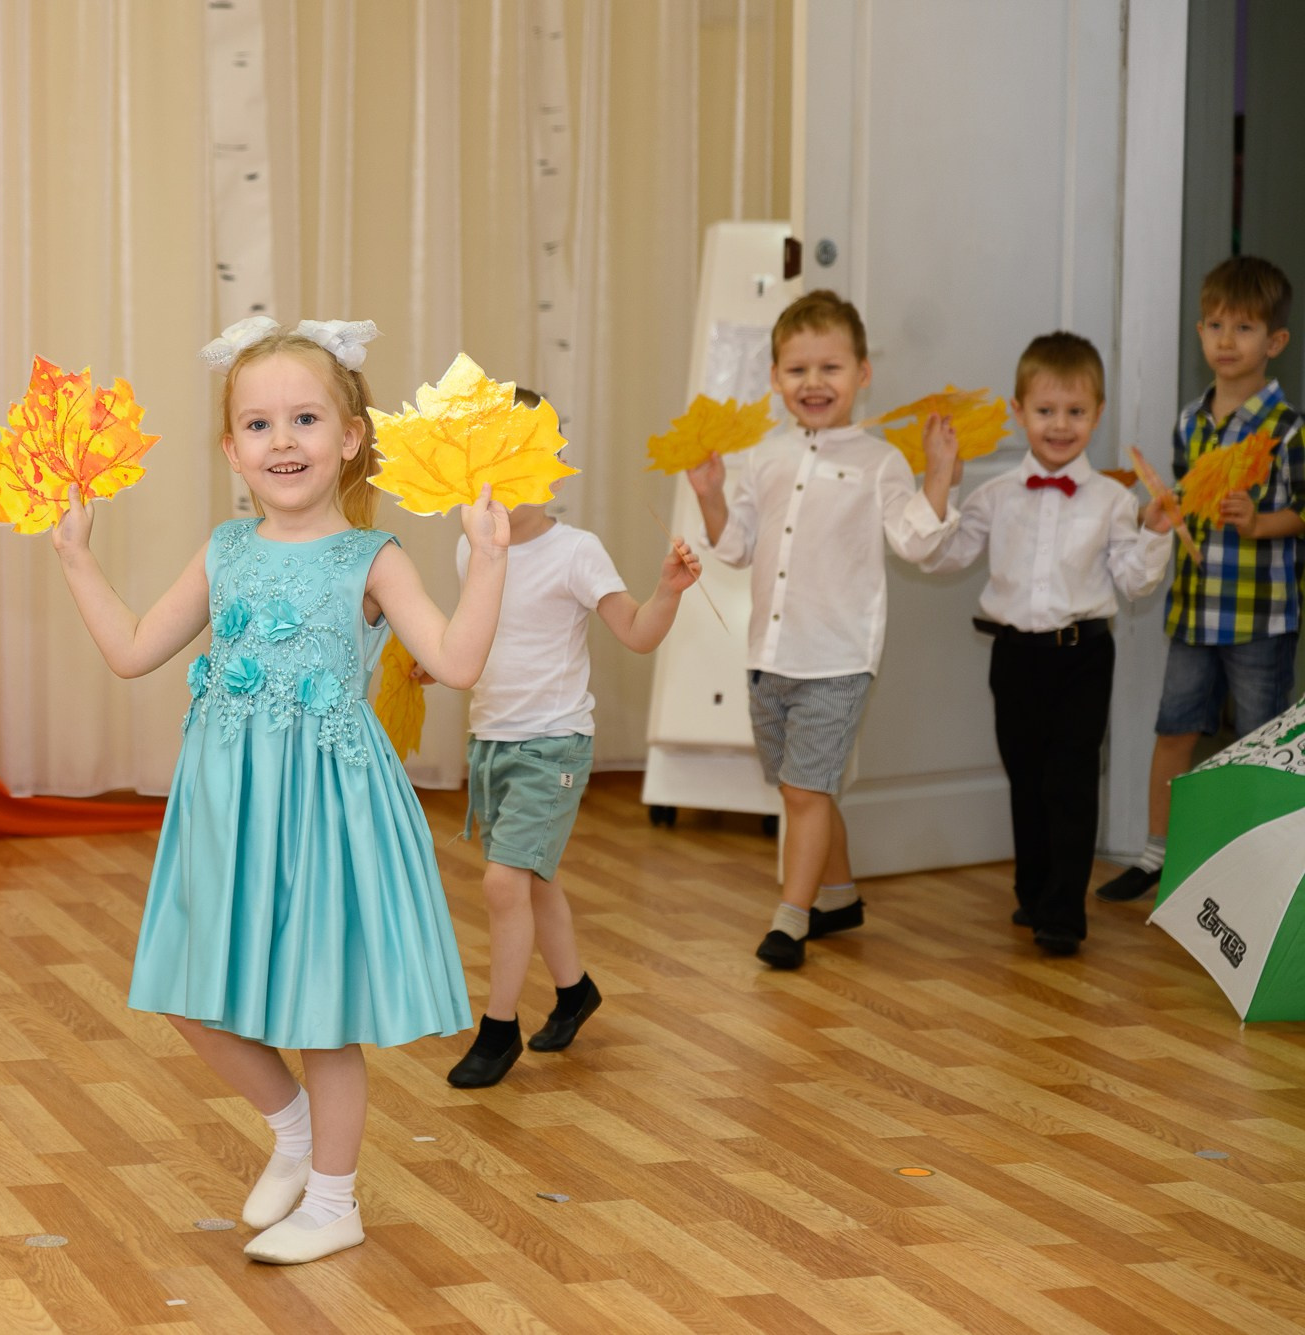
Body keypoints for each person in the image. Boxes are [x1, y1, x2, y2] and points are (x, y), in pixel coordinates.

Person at [50, 316, 506, 1264]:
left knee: (319, 1011)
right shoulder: (225, 549)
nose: (282, 440)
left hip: (326, 811)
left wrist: (490, 559)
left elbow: (456, 662)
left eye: (305, 418)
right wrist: (75, 556)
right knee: (187, 988)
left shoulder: (371, 559)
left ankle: (335, 1200)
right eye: (258, 425)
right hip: (228, 805)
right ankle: (293, 1131)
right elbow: (134, 651)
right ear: (231, 449)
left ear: (349, 437)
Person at [431, 387, 701, 1088]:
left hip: (552, 746)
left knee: (503, 881)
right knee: (531, 883)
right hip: (491, 741)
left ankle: (498, 1030)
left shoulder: (576, 551)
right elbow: (477, 638)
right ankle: (575, 989)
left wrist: (667, 590)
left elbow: (638, 634)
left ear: (551, 464)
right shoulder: (473, 551)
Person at [687, 290, 958, 969]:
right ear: (776, 378)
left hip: (836, 659)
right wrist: (711, 496)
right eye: (798, 370)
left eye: (830, 368)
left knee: (806, 791)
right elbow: (734, 547)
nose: (814, 383)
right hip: (770, 654)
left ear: (862, 373)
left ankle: (791, 917)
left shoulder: (880, 463)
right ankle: (838, 894)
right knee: (801, 785)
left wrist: (940, 477)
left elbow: (916, 542)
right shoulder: (766, 457)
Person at [920, 334, 1174, 953]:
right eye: (1045, 411)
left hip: (1083, 655)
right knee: (1026, 777)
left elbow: (1136, 582)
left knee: (1070, 779)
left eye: (1076, 412)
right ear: (1017, 411)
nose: (1060, 426)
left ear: (1099, 413)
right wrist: (941, 482)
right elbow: (940, 555)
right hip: (1014, 656)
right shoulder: (994, 495)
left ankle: (1063, 913)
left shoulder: (1115, 500)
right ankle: (1032, 894)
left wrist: (1157, 532)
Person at [1100, 256, 1305, 903]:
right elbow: (1184, 497)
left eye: (1243, 328)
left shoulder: (1288, 427)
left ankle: (1258, 867)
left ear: (1274, 342)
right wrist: (1155, 510)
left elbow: (1300, 513)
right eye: (1214, 324)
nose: (1225, 340)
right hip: (1193, 610)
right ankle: (1157, 853)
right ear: (1199, 331)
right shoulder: (1191, 419)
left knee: (1258, 740)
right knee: (1175, 728)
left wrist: (1261, 523)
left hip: (1260, 615)